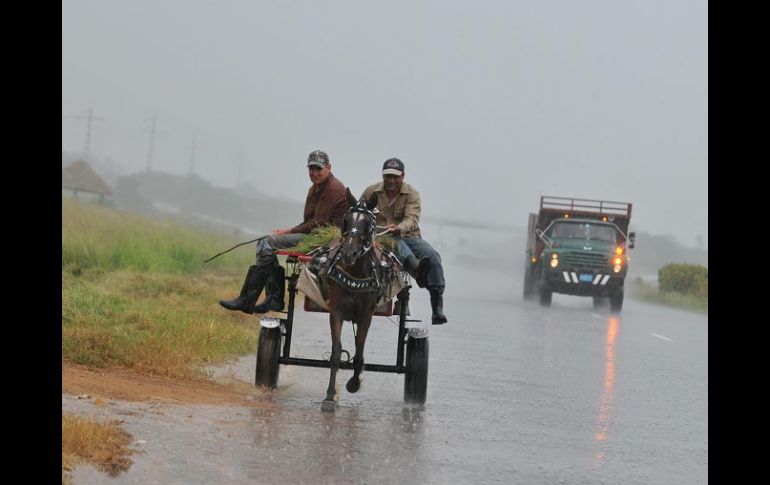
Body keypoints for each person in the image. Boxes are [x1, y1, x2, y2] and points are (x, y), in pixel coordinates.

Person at [220, 150, 348, 314]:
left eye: (318, 169)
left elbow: (318, 223)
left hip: (326, 242)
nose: (314, 173)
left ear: (329, 168)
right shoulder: (314, 189)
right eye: (311, 169)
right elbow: (309, 222)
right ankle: (271, 297)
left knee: (266, 243)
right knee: (265, 244)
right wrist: (289, 231)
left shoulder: (334, 189)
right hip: (314, 236)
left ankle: (259, 299)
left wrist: (288, 231)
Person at [361, 158, 448, 325]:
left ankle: (437, 308)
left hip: (409, 235)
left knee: (433, 256)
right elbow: (360, 213)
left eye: (395, 177)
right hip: (382, 237)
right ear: (383, 176)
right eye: (388, 176)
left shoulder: (412, 194)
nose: (391, 181)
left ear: (403, 176)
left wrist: (400, 227)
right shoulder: (371, 192)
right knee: (395, 243)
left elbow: (412, 219)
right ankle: (416, 270)